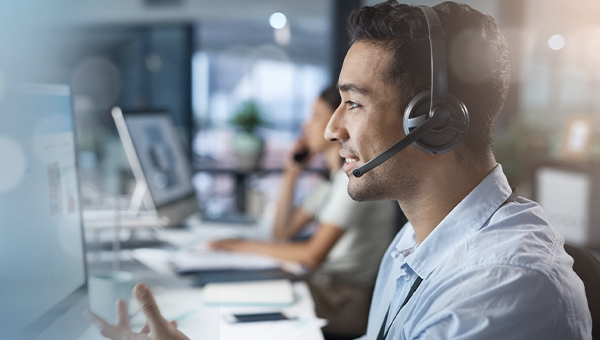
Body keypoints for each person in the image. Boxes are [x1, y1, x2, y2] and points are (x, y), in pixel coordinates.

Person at [87, 1, 593, 340]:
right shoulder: (415, 244)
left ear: (433, 121)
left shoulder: (502, 288)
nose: (330, 130)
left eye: (353, 103)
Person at [209, 85, 398, 338]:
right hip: (327, 287)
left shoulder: (352, 181)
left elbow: (311, 256)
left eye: (316, 116)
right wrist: (292, 173)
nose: (306, 126)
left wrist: (240, 245)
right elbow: (282, 232)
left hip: (344, 301)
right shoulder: (331, 179)